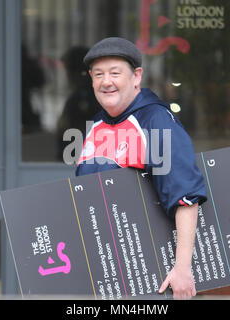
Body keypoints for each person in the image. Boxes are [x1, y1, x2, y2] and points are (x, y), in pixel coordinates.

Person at [75, 37, 207, 300]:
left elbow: (185, 197)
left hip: (153, 278)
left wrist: (182, 269)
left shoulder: (155, 120)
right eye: (98, 74)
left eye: (115, 73)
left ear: (136, 76)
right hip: (108, 273)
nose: (106, 81)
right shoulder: (98, 126)